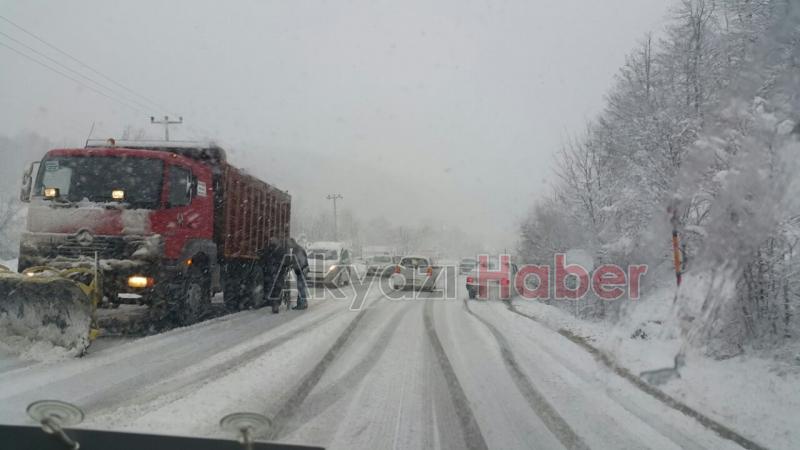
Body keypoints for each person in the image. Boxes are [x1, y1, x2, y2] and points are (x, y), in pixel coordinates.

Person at [288, 237, 309, 310]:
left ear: (292, 243)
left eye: (289, 244)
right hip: (301, 270)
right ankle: (301, 303)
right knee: (300, 287)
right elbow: (295, 260)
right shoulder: (296, 249)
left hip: (302, 270)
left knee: (300, 287)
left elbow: (302, 261)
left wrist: (298, 267)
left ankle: (303, 304)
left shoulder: (298, 250)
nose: (288, 245)